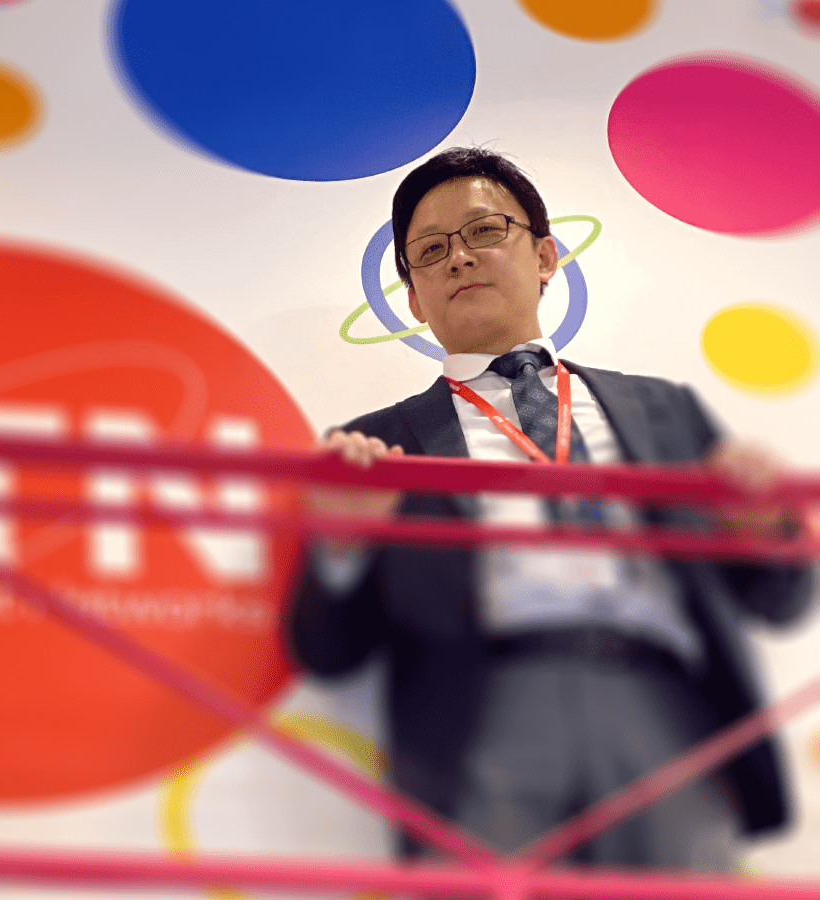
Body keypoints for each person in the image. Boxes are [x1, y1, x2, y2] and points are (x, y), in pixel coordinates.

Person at [288, 147, 814, 869]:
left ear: (544, 257)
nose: (458, 258)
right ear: (413, 300)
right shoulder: (377, 448)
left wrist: (766, 530)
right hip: (483, 712)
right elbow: (328, 650)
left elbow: (780, 602)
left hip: (667, 704)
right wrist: (342, 543)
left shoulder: (664, 409)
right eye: (430, 251)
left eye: (484, 231)